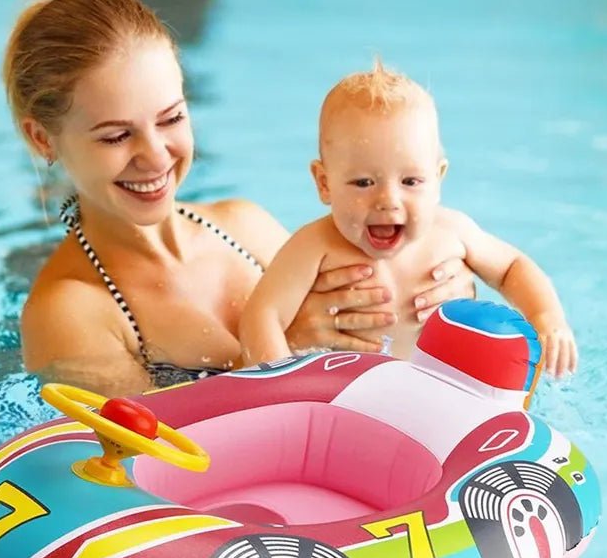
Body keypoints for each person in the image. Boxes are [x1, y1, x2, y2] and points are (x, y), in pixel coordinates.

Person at [3, 0, 475, 397]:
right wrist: (289, 349)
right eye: (116, 136)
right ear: (43, 138)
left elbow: (379, 286)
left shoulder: (243, 226)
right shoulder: (69, 311)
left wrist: (439, 289)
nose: (156, 155)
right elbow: (152, 461)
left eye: (172, 119)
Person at [240, 60, 577, 378]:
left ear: (438, 178)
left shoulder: (451, 233)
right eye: (363, 183)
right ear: (324, 183)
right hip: (348, 394)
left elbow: (512, 266)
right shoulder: (314, 247)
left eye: (411, 182)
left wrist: (547, 318)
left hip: (439, 383)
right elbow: (262, 315)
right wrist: (280, 386)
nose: (387, 201)